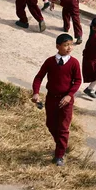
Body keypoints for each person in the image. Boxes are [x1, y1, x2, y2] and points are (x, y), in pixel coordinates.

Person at [31, 34, 81, 166]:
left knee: (63, 127)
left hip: (66, 101)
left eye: (71, 44)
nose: (69, 47)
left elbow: (78, 80)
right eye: (66, 45)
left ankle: (59, 155)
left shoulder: (74, 62)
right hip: (51, 98)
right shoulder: (50, 62)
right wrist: (36, 92)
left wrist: (69, 95)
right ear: (58, 46)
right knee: (51, 125)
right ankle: (62, 145)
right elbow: (39, 77)